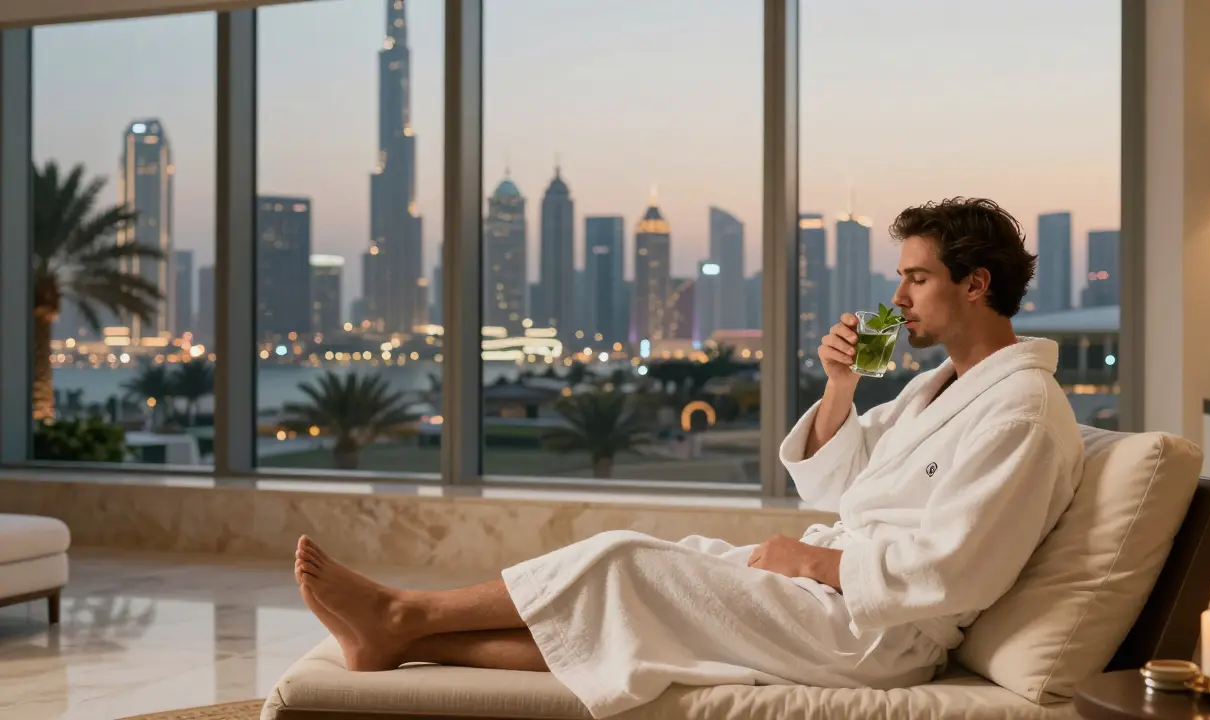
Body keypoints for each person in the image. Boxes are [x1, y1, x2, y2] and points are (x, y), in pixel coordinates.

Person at [293, 197, 1085, 720]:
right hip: (840, 601)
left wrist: (813, 563)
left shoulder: (1020, 410)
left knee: (626, 563)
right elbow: (845, 481)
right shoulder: (940, 389)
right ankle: (404, 640)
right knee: (648, 588)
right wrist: (840, 389)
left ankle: (405, 613)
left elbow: (959, 570)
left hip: (875, 634)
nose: (899, 299)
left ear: (975, 284)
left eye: (916, 278)